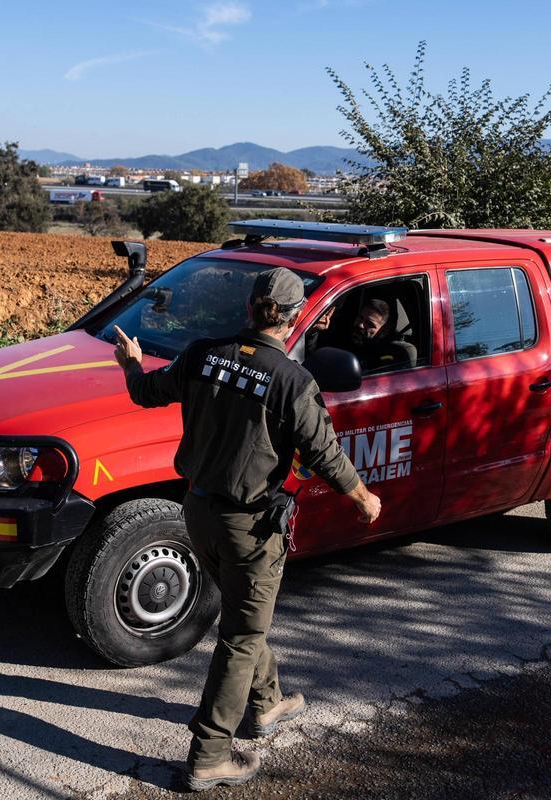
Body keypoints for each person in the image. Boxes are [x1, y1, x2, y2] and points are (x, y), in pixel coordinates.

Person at [112, 267, 382, 792]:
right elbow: (324, 452)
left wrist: (131, 364)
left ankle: (265, 704)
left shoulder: (201, 354)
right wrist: (362, 497)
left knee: (243, 612)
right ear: (293, 315)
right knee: (240, 635)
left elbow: (146, 392)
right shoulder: (292, 381)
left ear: (251, 308)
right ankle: (210, 754)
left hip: (198, 511)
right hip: (250, 525)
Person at [307, 298, 410, 372]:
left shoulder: (385, 357)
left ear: (384, 330)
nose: (360, 325)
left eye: (369, 324)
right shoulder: (343, 337)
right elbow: (313, 357)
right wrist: (314, 332)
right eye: (360, 318)